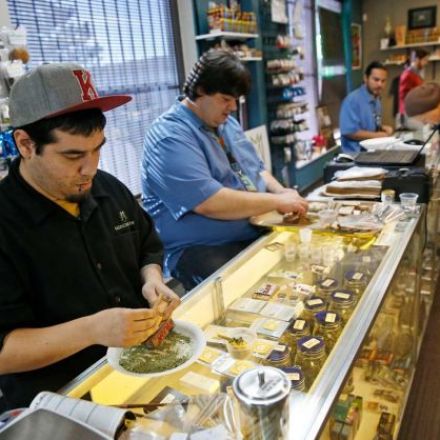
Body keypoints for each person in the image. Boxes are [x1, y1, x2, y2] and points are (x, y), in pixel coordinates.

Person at [0, 62, 180, 409]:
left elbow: (147, 245)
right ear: (25, 144)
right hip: (63, 397)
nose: (91, 168)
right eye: (73, 156)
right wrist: (91, 330)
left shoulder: (107, 187)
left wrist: (152, 279)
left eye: (98, 149)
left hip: (140, 366)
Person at [141, 49, 308, 291]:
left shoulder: (227, 123)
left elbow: (256, 171)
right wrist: (276, 201)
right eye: (225, 99)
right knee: (250, 294)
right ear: (200, 90)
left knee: (298, 270)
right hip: (201, 248)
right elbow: (209, 202)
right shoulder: (169, 137)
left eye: (236, 100)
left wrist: (283, 193)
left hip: (254, 228)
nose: (232, 107)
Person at [339, 61, 394, 154]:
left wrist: (382, 128)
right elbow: (349, 132)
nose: (380, 84)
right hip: (355, 156)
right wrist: (378, 136)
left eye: (383, 81)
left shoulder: (376, 99)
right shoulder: (352, 100)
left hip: (372, 153)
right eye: (376, 80)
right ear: (365, 78)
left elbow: (369, 126)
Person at [398, 49, 430, 128]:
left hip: (416, 112)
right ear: (417, 59)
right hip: (409, 114)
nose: (426, 63)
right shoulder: (407, 74)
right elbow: (403, 96)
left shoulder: (416, 74)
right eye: (425, 60)